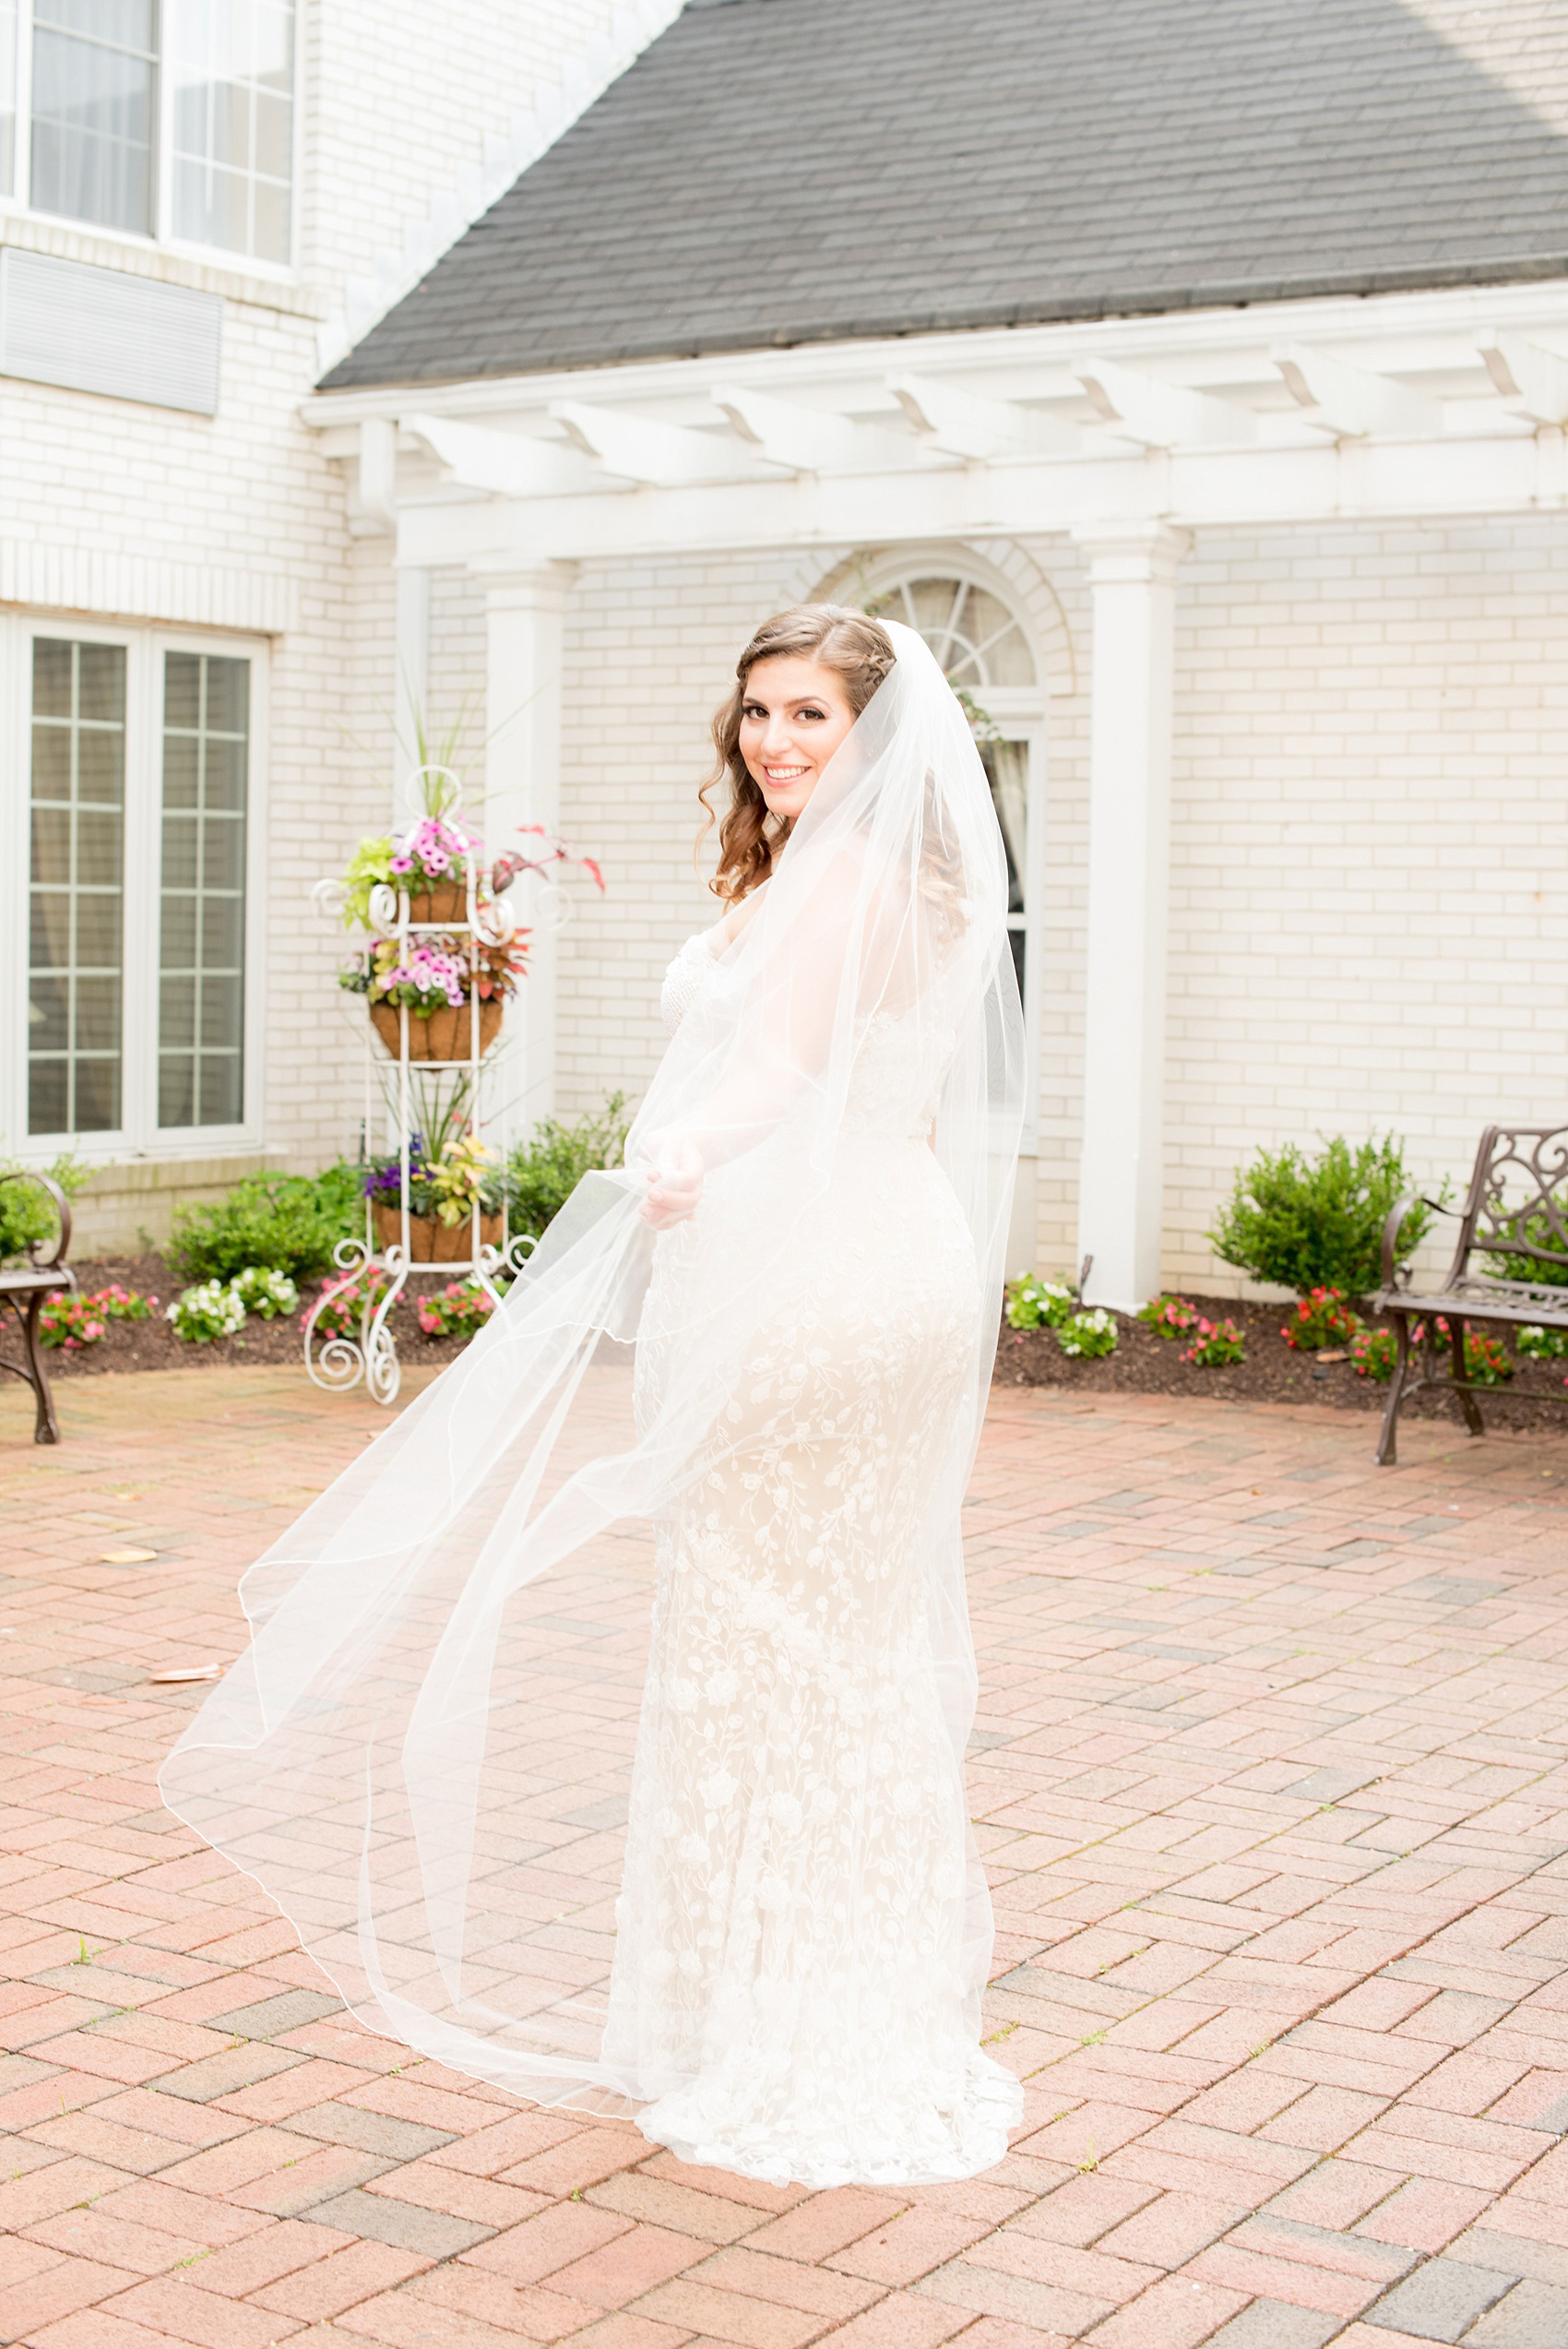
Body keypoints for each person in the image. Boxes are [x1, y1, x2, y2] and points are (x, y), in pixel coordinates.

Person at [161, 604, 1027, 2189]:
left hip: (810, 1276)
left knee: (763, 1632)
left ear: (875, 735)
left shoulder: (840, 880)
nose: (771, 740)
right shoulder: (919, 881)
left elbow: (780, 1063)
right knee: (845, 1640)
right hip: (893, 1248)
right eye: (758, 710)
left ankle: (776, 2029)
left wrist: (692, 1146)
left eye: (811, 716)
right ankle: (837, 2001)